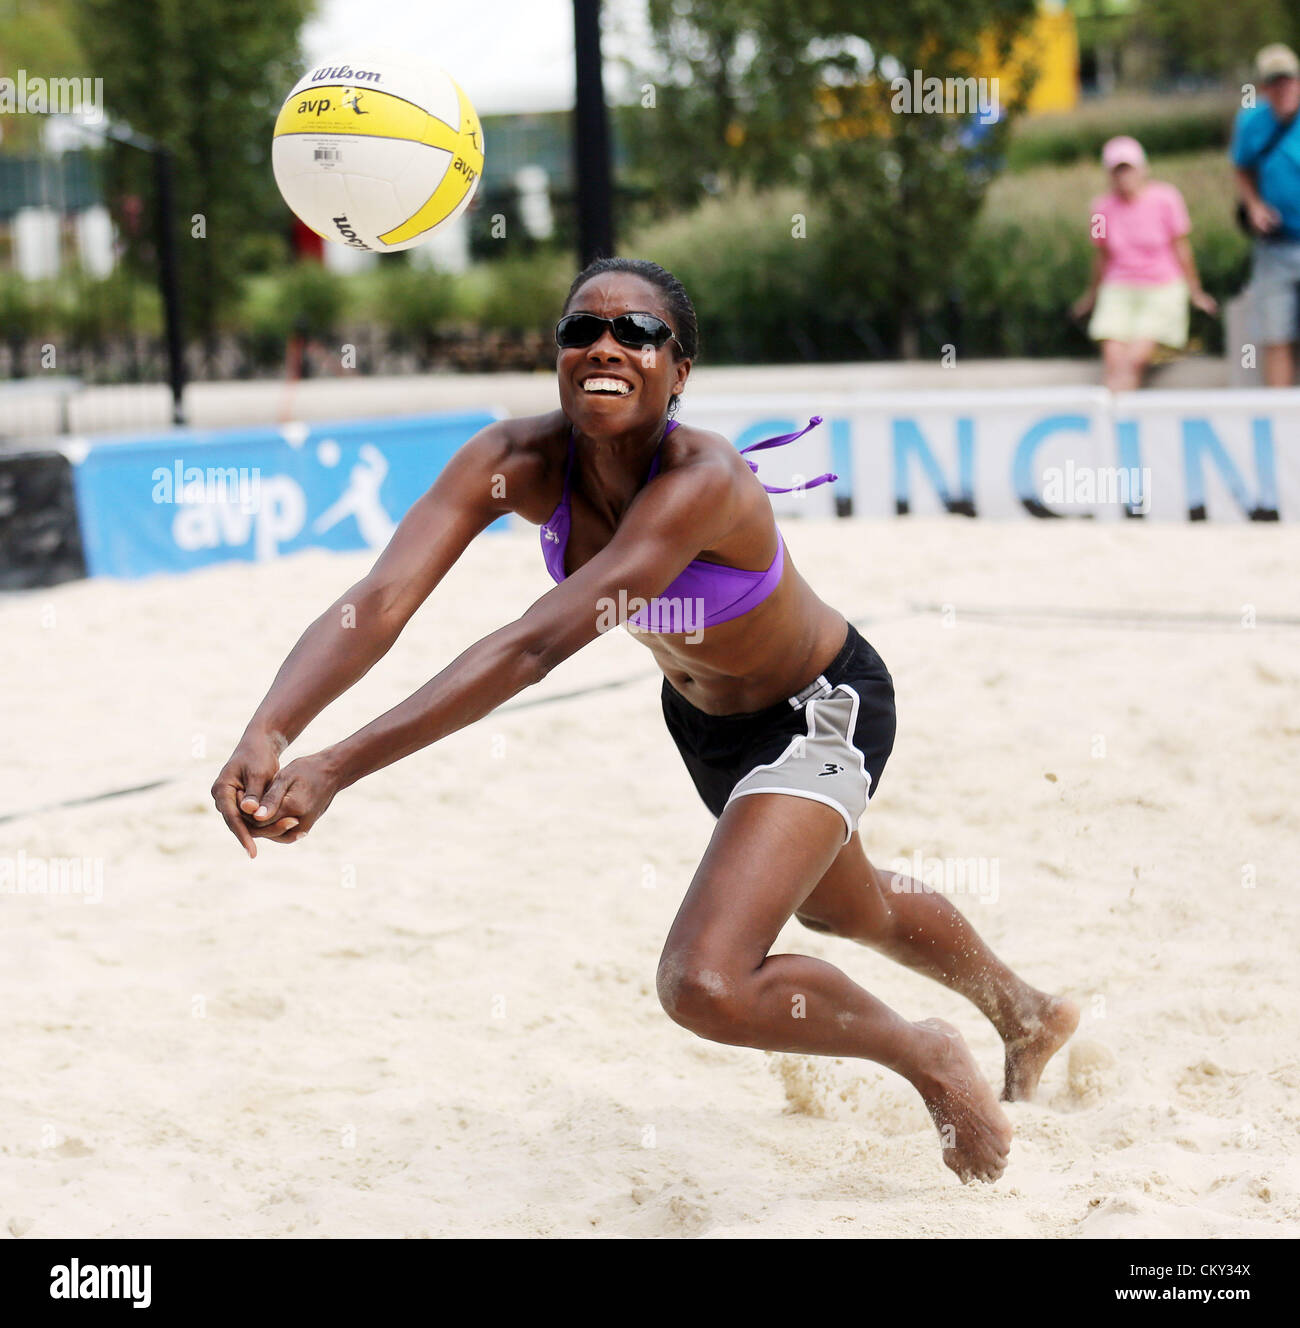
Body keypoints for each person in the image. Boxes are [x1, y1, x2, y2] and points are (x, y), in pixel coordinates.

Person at [212, 257, 1079, 1185]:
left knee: (705, 982)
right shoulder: (511, 462)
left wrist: (338, 763)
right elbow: (379, 601)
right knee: (846, 908)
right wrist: (269, 727)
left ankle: (926, 1054)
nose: (605, 346)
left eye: (637, 333)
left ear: (679, 369)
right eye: (581, 328)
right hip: (706, 727)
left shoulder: (701, 480)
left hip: (820, 708)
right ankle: (1026, 1012)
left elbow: (532, 648)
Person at [1073, 135, 1217, 390]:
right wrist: (1091, 295)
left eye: (1128, 168)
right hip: (1119, 287)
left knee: (1133, 360)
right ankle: (1118, 420)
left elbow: (1181, 247)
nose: (1124, 176)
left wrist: (1195, 292)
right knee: (1113, 360)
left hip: (1161, 287)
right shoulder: (1099, 209)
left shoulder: (1167, 198)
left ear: (1143, 169)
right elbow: (1101, 255)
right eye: (1118, 170)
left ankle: (1119, 420)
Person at [1231, 43, 1300, 387]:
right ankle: (1282, 424)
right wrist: (1255, 205)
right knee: (1276, 336)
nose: (1282, 89)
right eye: (1274, 83)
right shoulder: (1251, 121)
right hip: (1276, 244)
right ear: (1263, 88)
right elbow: (1242, 167)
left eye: (1288, 81)